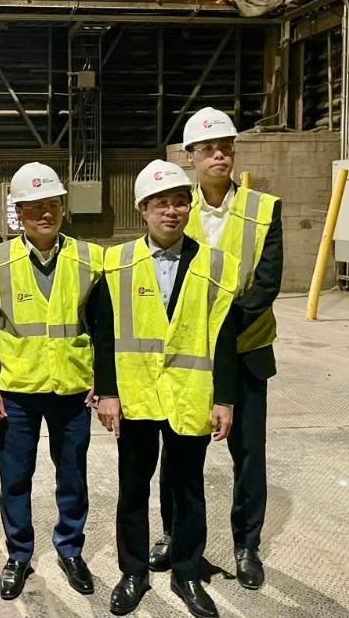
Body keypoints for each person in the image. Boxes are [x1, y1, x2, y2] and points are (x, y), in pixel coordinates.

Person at [94, 159, 239, 618]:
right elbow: (103, 334)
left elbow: (225, 338)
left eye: (179, 202)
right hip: (136, 395)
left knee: (188, 490)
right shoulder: (116, 262)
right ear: (142, 208)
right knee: (133, 489)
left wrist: (224, 398)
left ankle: (187, 572)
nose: (171, 211)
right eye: (161, 203)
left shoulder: (216, 265)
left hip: (191, 395)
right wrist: (107, 392)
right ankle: (133, 572)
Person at [148, 108, 282, 590]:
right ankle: (173, 534)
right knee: (180, 453)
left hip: (246, 351)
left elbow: (266, 282)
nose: (218, 155)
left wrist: (220, 329)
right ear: (190, 157)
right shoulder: (176, 208)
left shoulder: (264, 209)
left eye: (225, 146)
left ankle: (247, 545)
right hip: (188, 358)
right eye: (207, 149)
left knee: (249, 454)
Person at [0, 162, 103, 600]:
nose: (44, 213)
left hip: (72, 387)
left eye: (51, 204)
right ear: (18, 213)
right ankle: (18, 554)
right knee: (15, 477)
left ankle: (70, 549)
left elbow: (101, 326)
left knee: (72, 476)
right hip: (16, 390)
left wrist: (103, 380)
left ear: (63, 208)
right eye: (33, 207)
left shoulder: (89, 259)